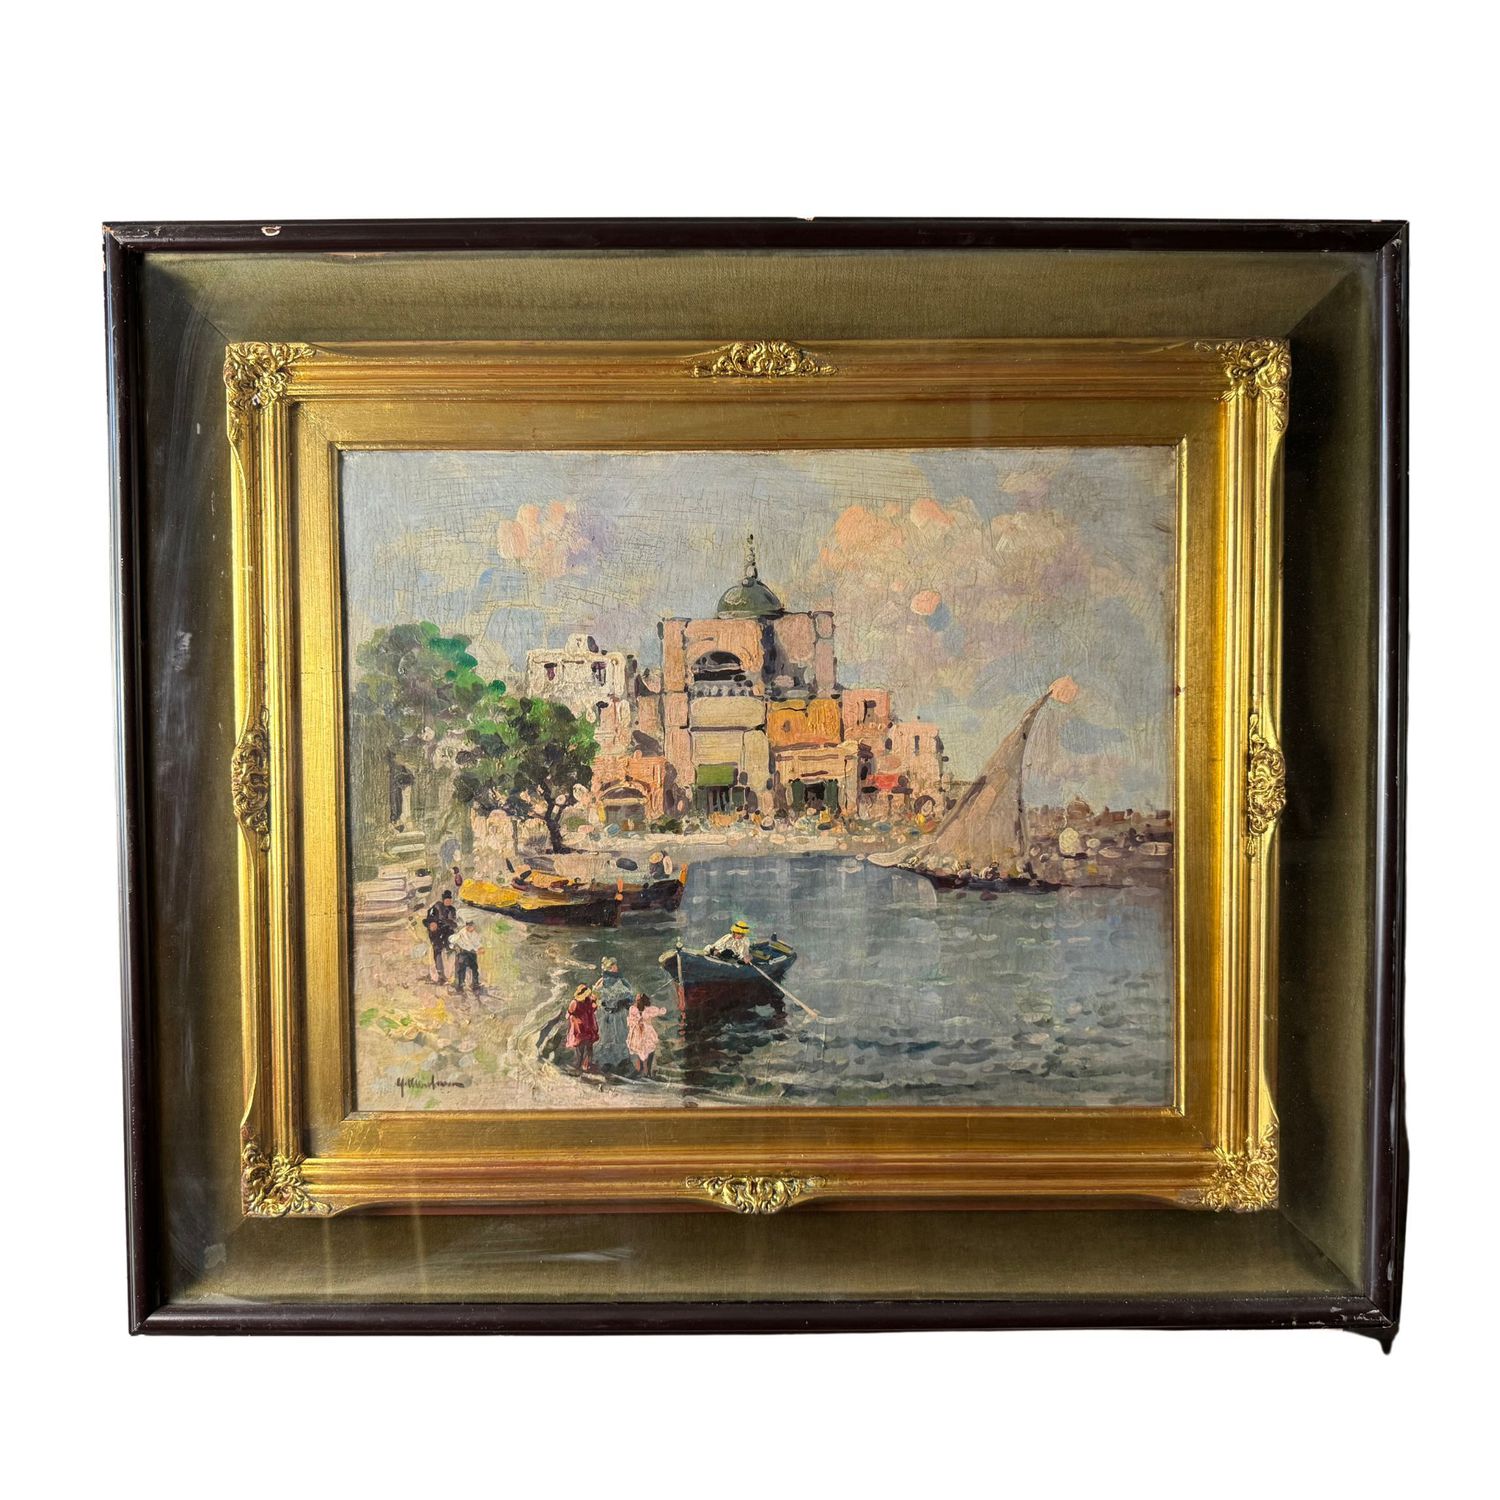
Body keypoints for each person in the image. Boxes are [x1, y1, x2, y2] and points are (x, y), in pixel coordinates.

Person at [627, 992, 668, 1077]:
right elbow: (630, 1021)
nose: (636, 1001)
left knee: (650, 1049)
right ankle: (642, 1069)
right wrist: (636, 1023)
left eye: (638, 999)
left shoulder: (648, 1010)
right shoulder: (633, 1009)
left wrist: (661, 1011)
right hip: (638, 1032)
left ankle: (648, 1070)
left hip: (648, 1032)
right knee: (639, 1049)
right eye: (636, 1000)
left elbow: (660, 1011)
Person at [424, 890, 459, 982]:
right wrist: (432, 924)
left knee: (452, 950)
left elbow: (453, 922)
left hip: (448, 932)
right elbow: (429, 919)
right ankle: (440, 975)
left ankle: (453, 975)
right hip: (437, 933)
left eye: (450, 900)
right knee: (437, 950)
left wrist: (452, 924)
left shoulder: (452, 909)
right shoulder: (436, 907)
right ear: (443, 900)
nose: (448, 901)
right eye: (446, 900)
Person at [566, 983, 599, 1072]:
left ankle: (586, 1065)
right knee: (580, 1046)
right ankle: (578, 1065)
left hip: (588, 1025)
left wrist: (594, 1003)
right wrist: (576, 1021)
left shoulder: (588, 1000)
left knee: (589, 1046)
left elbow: (592, 1009)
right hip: (579, 1027)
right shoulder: (575, 1002)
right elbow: (570, 1013)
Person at [450, 919, 483, 993]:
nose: (471, 928)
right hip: (463, 953)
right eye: (470, 926)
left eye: (472, 926)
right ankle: (460, 985)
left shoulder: (475, 934)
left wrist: (480, 948)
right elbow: (452, 941)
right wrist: (455, 947)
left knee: (475, 968)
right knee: (461, 969)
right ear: (467, 926)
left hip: (472, 953)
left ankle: (475, 984)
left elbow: (477, 943)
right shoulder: (462, 933)